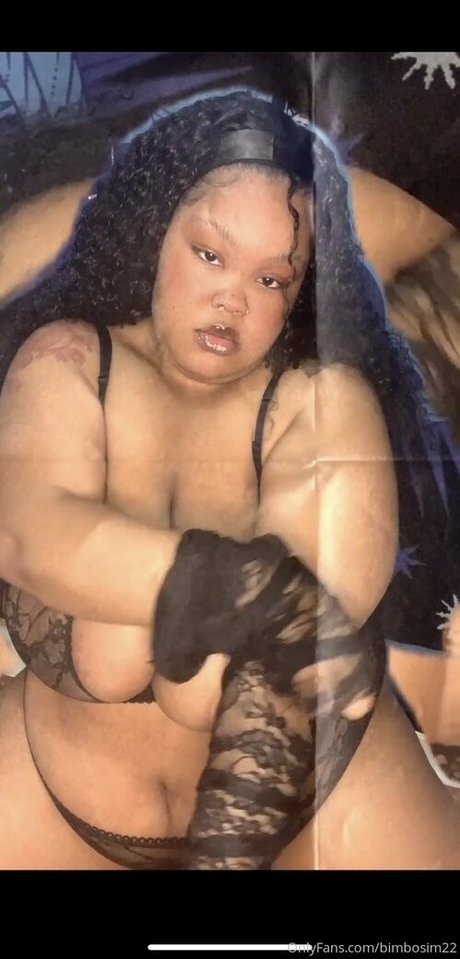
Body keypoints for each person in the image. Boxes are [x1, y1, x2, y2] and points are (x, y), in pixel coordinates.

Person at [0, 89, 459, 870]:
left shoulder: (319, 401)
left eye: (272, 279)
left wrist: (232, 596)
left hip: (323, 793)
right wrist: (244, 587)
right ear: (153, 232)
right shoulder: (69, 360)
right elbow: (29, 531)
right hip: (52, 795)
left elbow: (321, 614)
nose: (232, 299)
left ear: (304, 291)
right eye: (210, 255)